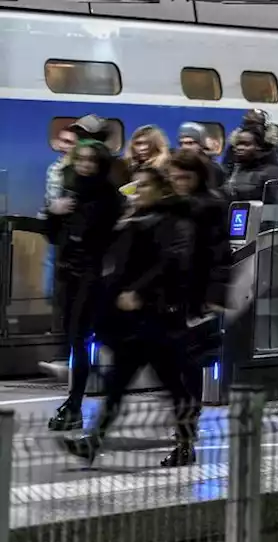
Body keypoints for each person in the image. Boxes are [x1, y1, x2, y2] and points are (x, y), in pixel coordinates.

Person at [62, 167, 199, 467]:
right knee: (119, 384)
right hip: (136, 321)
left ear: (162, 190)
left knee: (172, 386)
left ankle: (186, 444)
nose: (139, 191)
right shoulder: (136, 219)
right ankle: (95, 441)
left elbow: (169, 263)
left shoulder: (175, 221)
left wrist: (138, 291)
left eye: (146, 186)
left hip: (160, 317)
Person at [45, 141, 124, 431]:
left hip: (94, 277)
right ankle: (82, 399)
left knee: (81, 339)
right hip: (68, 274)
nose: (85, 165)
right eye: (81, 159)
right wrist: (54, 212)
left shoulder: (109, 197)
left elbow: (112, 240)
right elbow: (53, 236)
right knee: (74, 338)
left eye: (92, 160)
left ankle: (76, 402)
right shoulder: (70, 191)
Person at [168, 149, 231, 408]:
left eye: (187, 178)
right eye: (176, 178)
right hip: (170, 294)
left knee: (191, 361)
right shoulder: (169, 205)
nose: (181, 183)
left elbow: (220, 255)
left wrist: (214, 297)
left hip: (198, 295)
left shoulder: (211, 206)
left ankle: (187, 424)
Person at [41, 124, 77, 304]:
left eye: (68, 142)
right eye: (62, 140)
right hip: (56, 228)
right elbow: (50, 199)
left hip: (72, 231)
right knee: (51, 265)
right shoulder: (54, 168)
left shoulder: (78, 170)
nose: (63, 146)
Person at [224, 125, 278, 203]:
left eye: (246, 144)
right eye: (238, 144)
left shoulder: (272, 172)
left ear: (258, 147)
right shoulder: (232, 170)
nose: (240, 148)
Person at [177, 123, 226, 189]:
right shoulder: (175, 166)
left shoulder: (213, 169)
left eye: (190, 143)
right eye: (181, 144)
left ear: (201, 145)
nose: (185, 147)